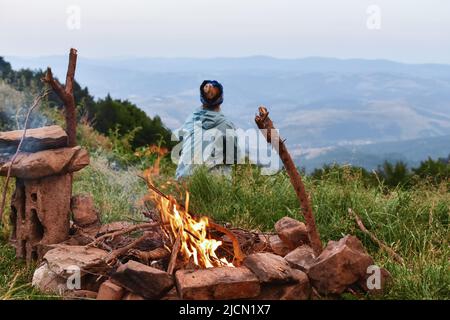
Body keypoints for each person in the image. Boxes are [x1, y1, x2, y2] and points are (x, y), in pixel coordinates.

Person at [175, 80, 241, 179]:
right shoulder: (226, 125)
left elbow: (182, 142)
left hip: (182, 181)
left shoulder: (190, 119)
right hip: (210, 186)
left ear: (202, 99)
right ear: (221, 99)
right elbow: (234, 158)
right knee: (226, 166)